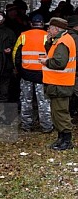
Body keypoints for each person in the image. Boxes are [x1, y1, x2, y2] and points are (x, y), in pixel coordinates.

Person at [40, 17, 77, 150]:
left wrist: (46, 62)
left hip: (61, 83)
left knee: (61, 112)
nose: (48, 30)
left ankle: (66, 141)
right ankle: (61, 138)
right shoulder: (60, 40)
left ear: (56, 29)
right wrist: (48, 42)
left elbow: (59, 63)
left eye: (49, 28)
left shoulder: (63, 42)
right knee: (57, 112)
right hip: (58, 83)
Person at [13, 14, 53, 133]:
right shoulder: (48, 36)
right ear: (43, 24)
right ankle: (46, 127)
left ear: (31, 23)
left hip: (26, 74)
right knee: (44, 101)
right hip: (43, 74)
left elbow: (16, 54)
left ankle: (26, 126)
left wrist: (18, 70)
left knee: (26, 100)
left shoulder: (23, 36)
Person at [67, 15, 78, 118]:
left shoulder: (65, 36)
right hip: (74, 71)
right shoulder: (75, 37)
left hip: (67, 71)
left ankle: (70, 112)